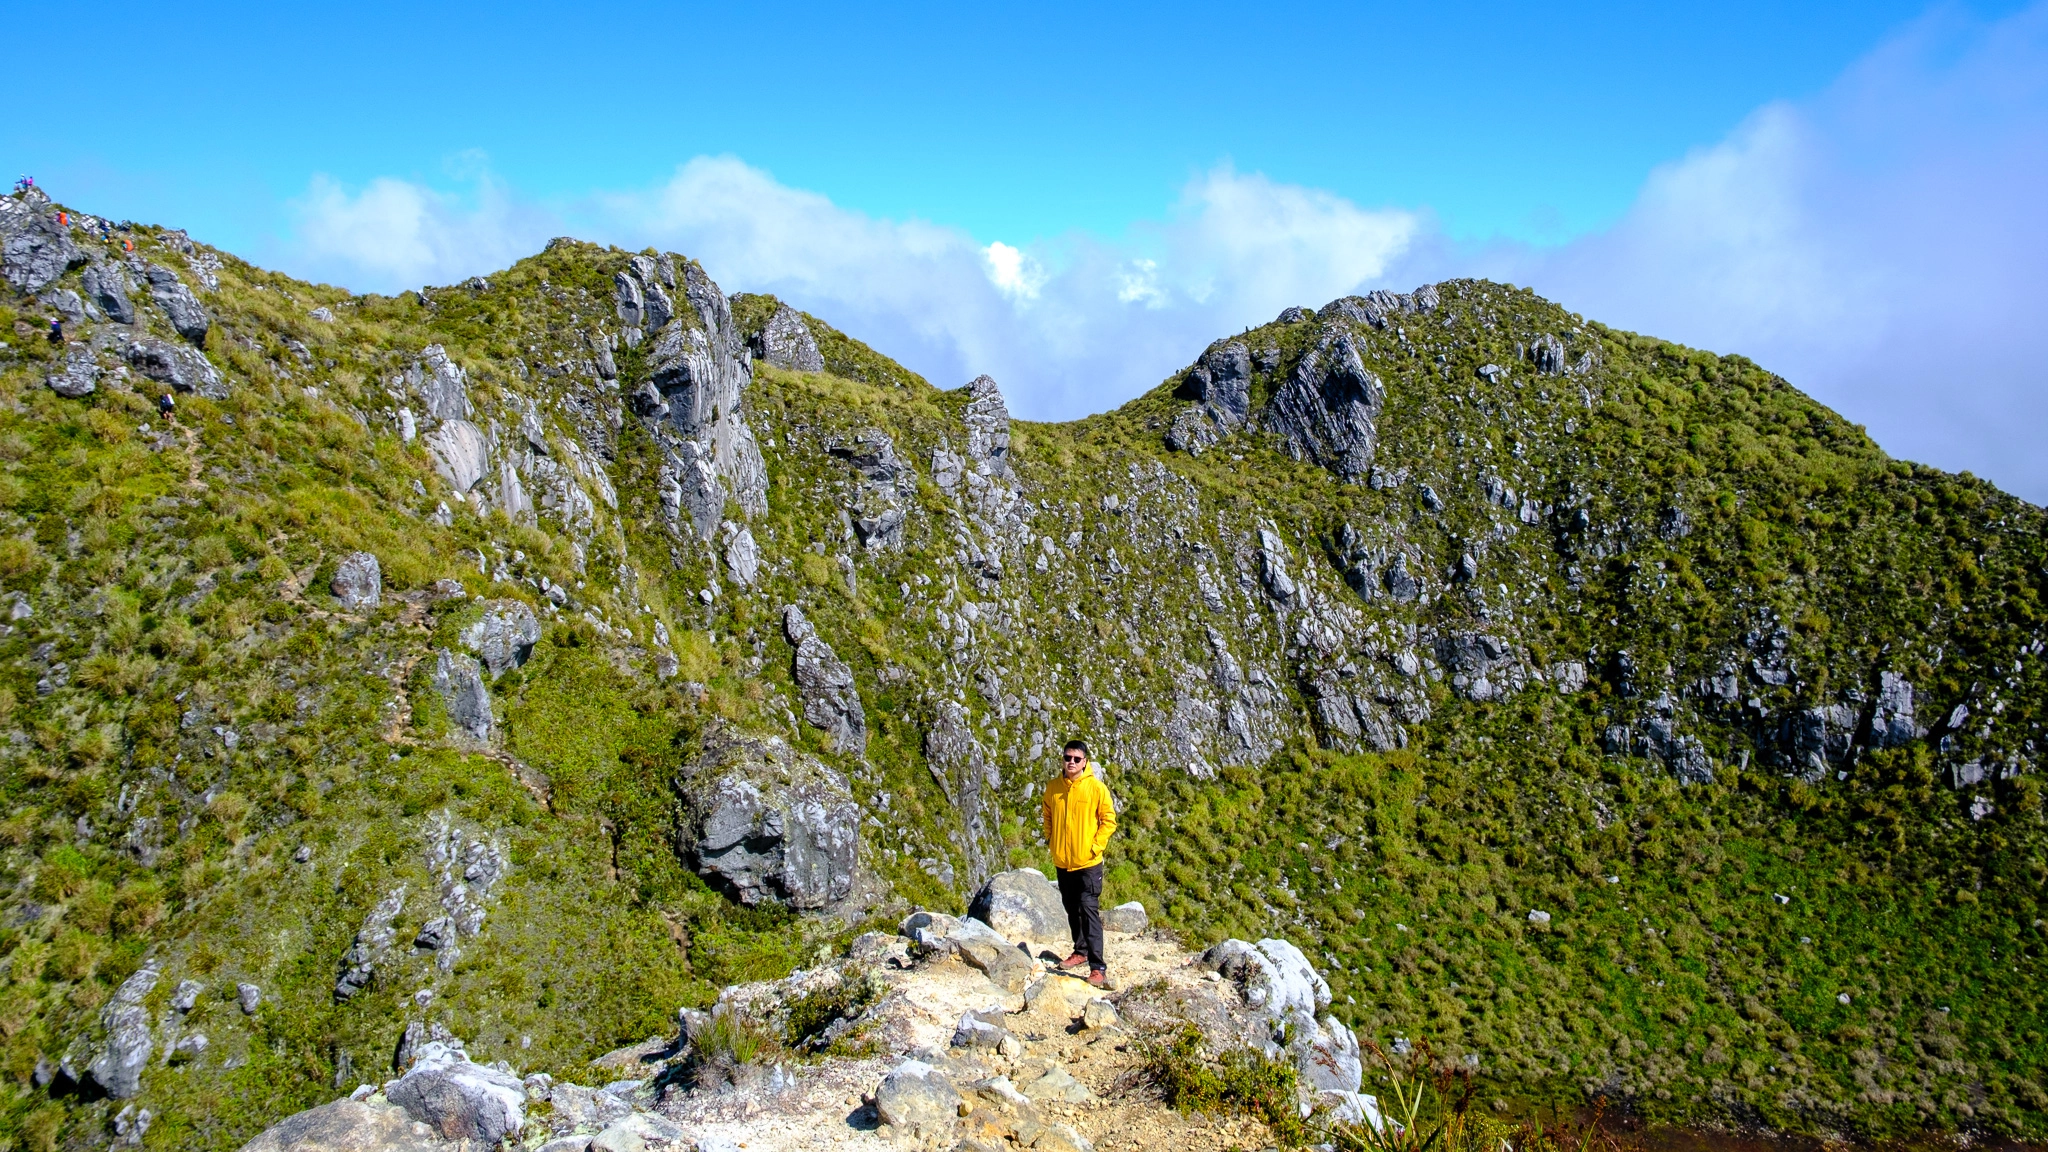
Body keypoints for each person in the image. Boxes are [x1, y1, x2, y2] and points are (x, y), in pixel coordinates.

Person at [1042, 738, 1118, 987]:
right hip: (1063, 862)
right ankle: (1080, 951)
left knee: (1088, 910)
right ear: (1063, 760)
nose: (1071, 762)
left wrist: (1095, 847)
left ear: (1085, 762)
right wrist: (1050, 838)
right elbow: (1048, 814)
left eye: (1077, 759)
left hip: (1088, 863)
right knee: (1071, 908)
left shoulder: (1096, 788)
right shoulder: (1053, 787)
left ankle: (1098, 967)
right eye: (1067, 758)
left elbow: (1109, 820)